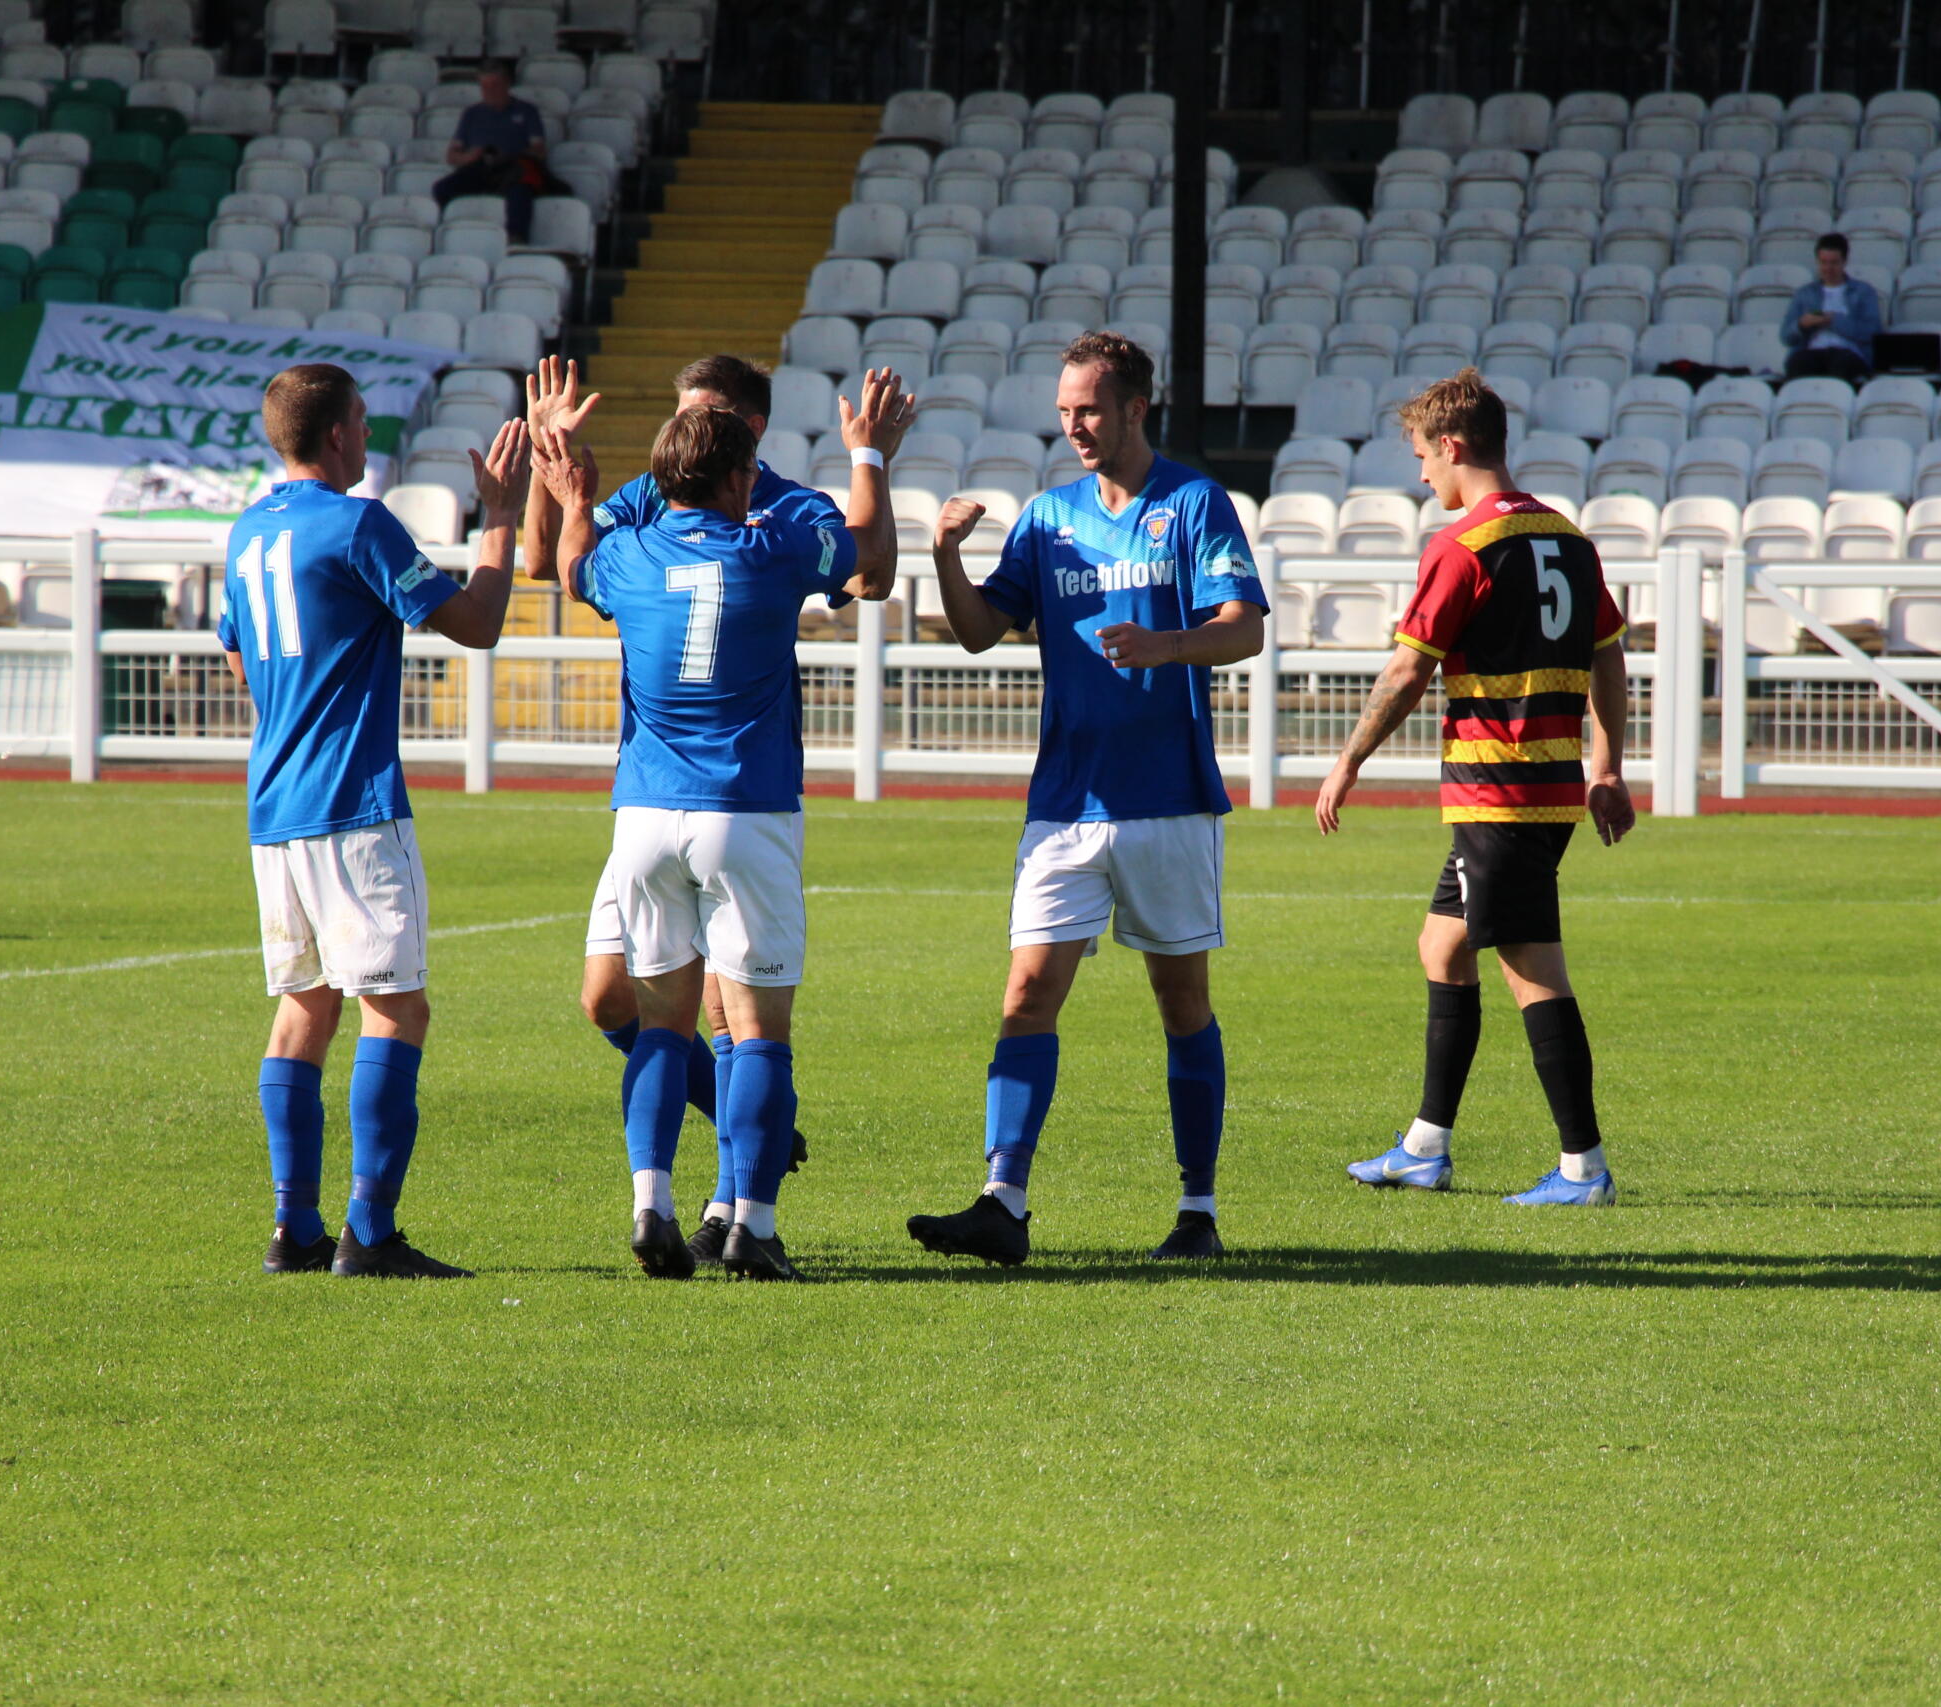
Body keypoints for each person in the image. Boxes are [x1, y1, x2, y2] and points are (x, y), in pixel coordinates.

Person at [522, 352, 910, 1266]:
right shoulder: (776, 544)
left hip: (645, 811)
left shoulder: (628, 549)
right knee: (758, 1028)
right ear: (739, 472)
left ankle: (651, 1206)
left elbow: (567, 564)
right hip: (745, 804)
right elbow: (870, 554)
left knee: (666, 1021)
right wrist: (870, 453)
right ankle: (754, 1229)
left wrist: (572, 491)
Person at [907, 330, 1267, 1267]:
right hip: (1066, 803)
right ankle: (1003, 1200)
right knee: (1027, 991)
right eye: (1065, 410)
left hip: (1169, 800)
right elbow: (981, 631)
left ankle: (1197, 1210)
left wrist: (1166, 645)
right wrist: (944, 556)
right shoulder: (1046, 518)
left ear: (1136, 408)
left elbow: (1245, 630)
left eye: (1091, 409)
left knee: (1181, 1000)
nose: (1074, 425)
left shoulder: (1193, 503)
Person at [225, 364, 529, 1278]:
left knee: (304, 1007)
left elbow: (240, 659)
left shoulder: (247, 531)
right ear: (336, 435)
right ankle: (371, 1231)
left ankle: (294, 1229)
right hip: (351, 804)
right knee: (396, 1008)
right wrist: (502, 514)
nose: (367, 435)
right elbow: (477, 623)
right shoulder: (358, 523)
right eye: (361, 421)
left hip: (274, 807)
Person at [1316, 368, 1635, 1206]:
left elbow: (1405, 672)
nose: (1423, 474)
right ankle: (1426, 1147)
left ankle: (1584, 1167)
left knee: (1533, 968)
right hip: (1546, 788)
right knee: (1444, 946)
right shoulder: (1568, 536)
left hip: (1500, 792)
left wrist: (1348, 760)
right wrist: (1607, 766)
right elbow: (1608, 654)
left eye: (1424, 456)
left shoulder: (1462, 547)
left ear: (1453, 446)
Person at [430, 60, 558, 242]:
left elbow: (540, 151)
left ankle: (516, 241)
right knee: (442, 189)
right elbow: (452, 156)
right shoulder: (471, 114)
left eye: (495, 85)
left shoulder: (527, 111)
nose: (489, 91)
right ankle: (453, 237)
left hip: (513, 168)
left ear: (507, 84)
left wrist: (511, 153)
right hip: (480, 168)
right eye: (484, 87)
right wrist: (470, 156)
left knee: (520, 192)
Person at [1779, 232, 1881, 385]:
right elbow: (1785, 337)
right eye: (1823, 262)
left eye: (1834, 263)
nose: (1828, 268)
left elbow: (1872, 332)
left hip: (1848, 353)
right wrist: (1801, 325)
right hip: (1812, 351)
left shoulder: (1863, 291)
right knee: (1797, 364)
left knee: (1841, 364)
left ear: (1844, 262)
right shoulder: (1805, 293)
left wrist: (1834, 320)